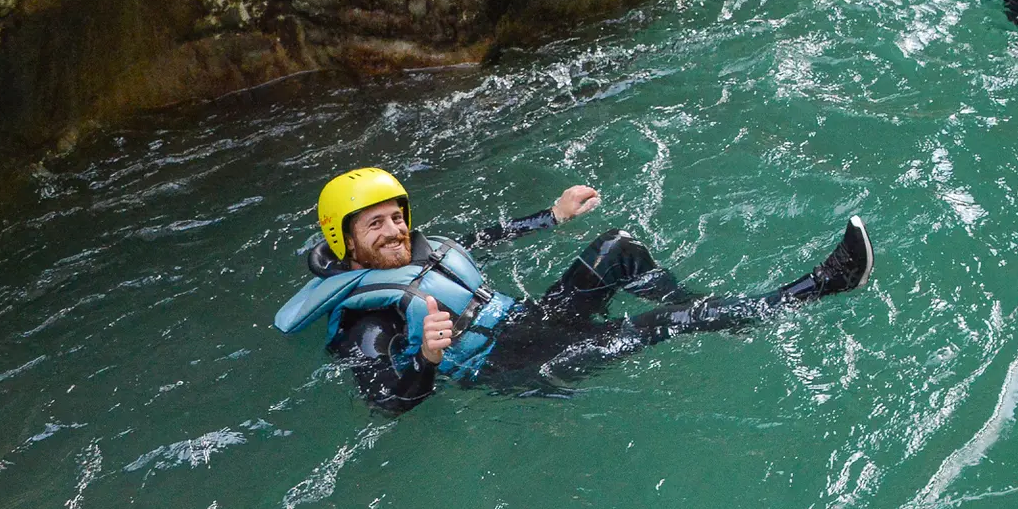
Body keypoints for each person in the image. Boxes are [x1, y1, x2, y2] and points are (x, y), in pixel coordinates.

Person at [275, 168, 872, 412]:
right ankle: (819, 288)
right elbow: (386, 403)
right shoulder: (365, 322)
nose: (395, 230)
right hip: (511, 366)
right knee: (658, 326)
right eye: (374, 224)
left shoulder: (420, 249)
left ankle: (718, 312)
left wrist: (553, 217)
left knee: (617, 248)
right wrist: (428, 360)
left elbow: (482, 238)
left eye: (397, 215)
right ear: (343, 238)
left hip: (525, 322)